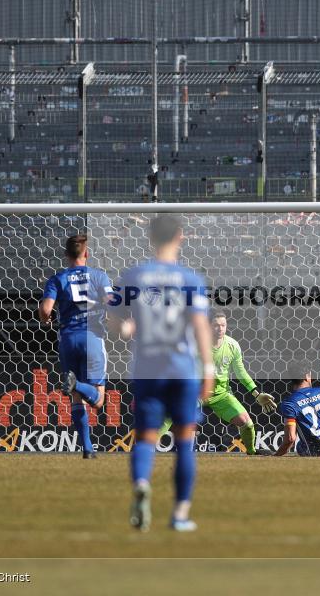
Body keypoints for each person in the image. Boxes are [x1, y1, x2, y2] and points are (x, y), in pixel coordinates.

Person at [112, 215, 214, 532]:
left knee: (145, 438)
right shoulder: (190, 278)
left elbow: (116, 323)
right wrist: (208, 368)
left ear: (150, 237)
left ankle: (142, 483)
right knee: (185, 440)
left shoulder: (133, 276)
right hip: (182, 368)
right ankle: (180, 514)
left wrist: (127, 328)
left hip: (147, 368)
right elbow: (200, 326)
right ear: (180, 237)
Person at [159, 311, 276, 455]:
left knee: (246, 422)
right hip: (196, 393)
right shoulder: (196, 344)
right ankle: (146, 448)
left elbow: (241, 372)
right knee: (171, 416)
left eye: (223, 325)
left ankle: (252, 452)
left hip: (221, 395)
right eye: (216, 325)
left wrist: (256, 394)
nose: (220, 329)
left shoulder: (233, 345)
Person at [39, 234, 113, 459]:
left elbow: (45, 310)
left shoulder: (57, 279)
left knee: (75, 397)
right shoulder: (99, 276)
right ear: (86, 254)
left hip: (68, 340)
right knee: (98, 400)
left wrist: (46, 318)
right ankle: (77, 384)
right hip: (92, 338)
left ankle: (87, 449)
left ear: (66, 255)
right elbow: (112, 303)